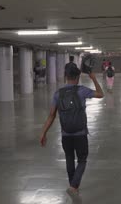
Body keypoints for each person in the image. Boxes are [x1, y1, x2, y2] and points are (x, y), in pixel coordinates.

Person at [40, 67, 104, 197]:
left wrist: (43, 133)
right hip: (80, 134)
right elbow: (100, 94)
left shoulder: (58, 94)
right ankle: (74, 186)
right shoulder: (81, 90)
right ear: (77, 77)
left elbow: (51, 115)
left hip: (65, 134)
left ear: (66, 77)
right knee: (82, 160)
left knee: (69, 158)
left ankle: (72, 185)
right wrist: (93, 78)